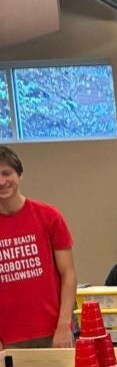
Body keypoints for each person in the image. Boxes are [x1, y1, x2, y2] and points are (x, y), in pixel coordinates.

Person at [0, 145, 76, 350]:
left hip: (52, 335)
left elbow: (68, 273)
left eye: (6, 173)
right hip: (7, 341)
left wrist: (63, 325)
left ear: (19, 175)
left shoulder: (49, 217)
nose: (1, 182)